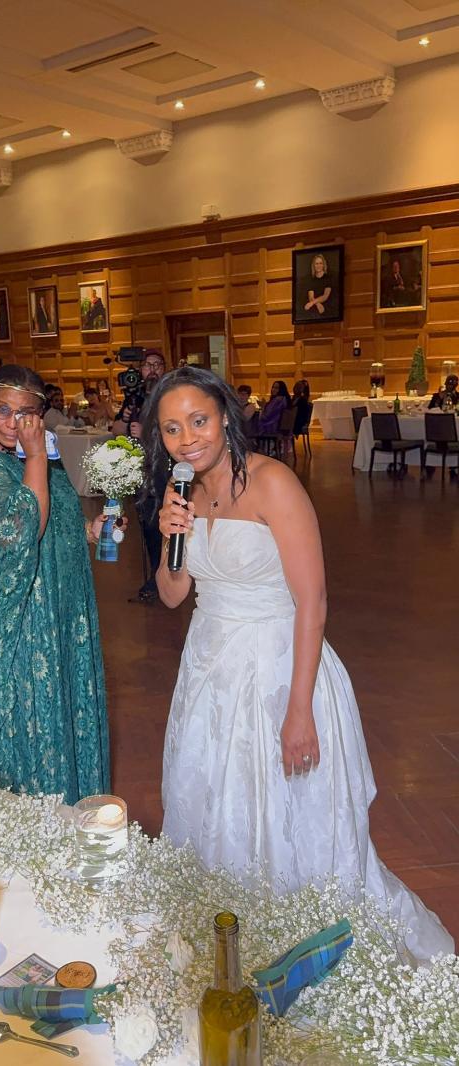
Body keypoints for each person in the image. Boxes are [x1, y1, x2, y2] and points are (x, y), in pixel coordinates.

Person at [145, 365, 453, 963]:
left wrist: (300, 712)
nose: (187, 439)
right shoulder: (182, 494)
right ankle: (231, 938)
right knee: (214, 807)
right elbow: (173, 596)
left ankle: (303, 943)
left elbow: (313, 602)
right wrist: (169, 541)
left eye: (198, 421)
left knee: (287, 821)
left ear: (225, 416)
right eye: (172, 428)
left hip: (279, 668)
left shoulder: (273, 483)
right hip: (209, 672)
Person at [0, 364, 111, 798]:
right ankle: (33, 828)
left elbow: (59, 513)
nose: (14, 423)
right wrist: (37, 456)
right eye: (3, 410)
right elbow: (23, 530)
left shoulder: (41, 452)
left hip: (62, 608)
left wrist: (90, 531)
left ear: (40, 414)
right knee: (31, 721)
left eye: (26, 414)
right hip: (18, 620)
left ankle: (78, 816)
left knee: (69, 708)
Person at [113, 350, 166, 603]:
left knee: (162, 526)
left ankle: (162, 578)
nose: (152, 369)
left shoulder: (169, 395)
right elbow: (116, 429)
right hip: (141, 469)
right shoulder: (134, 397)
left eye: (157, 364)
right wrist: (125, 423)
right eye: (147, 365)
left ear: (164, 369)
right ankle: (157, 576)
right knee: (148, 526)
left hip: (164, 467)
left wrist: (147, 432)